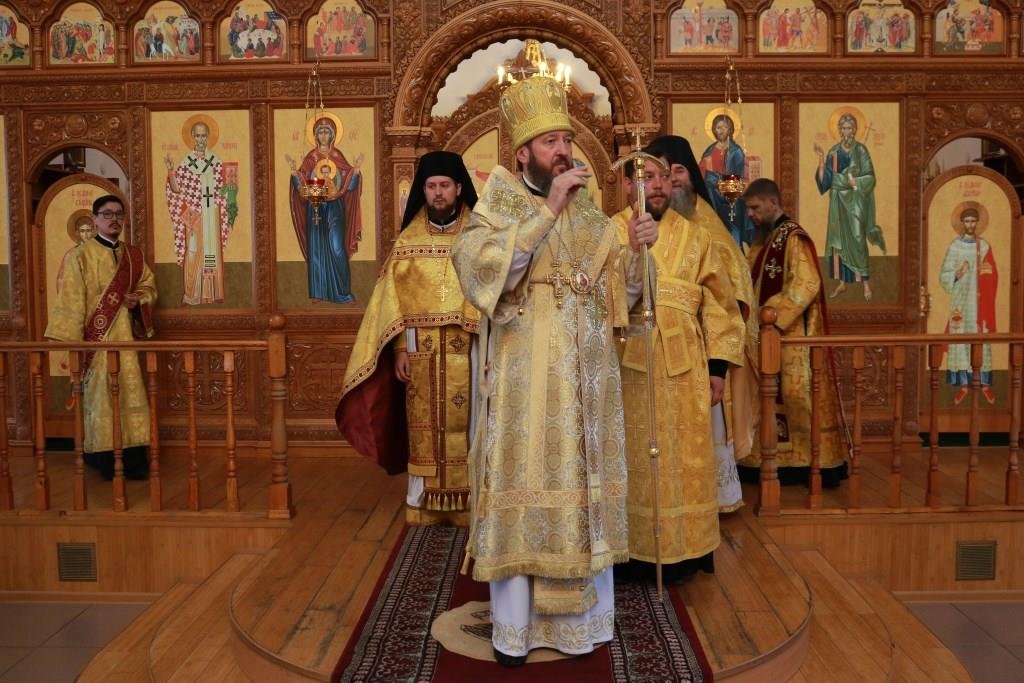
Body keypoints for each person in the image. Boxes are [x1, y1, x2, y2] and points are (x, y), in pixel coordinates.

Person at [450, 60, 657, 667]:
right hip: (526, 384)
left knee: (583, 497)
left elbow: (622, 297)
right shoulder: (498, 205)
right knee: (524, 492)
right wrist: (545, 213)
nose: (563, 151)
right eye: (550, 142)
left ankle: (582, 627)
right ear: (523, 154)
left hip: (588, 384)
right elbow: (482, 273)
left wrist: (637, 255)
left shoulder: (591, 216)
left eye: (566, 139)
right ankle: (514, 631)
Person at [612, 141, 745, 584]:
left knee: (687, 459)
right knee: (635, 456)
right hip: (629, 366)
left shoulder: (697, 236)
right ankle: (634, 550)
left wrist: (718, 368)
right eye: (645, 178)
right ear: (629, 186)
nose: (656, 186)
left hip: (687, 366)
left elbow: (720, 306)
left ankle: (689, 549)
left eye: (663, 178)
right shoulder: (611, 232)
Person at [336, 151, 479, 525]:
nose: (438, 193)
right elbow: (392, 301)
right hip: (420, 348)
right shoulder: (408, 240)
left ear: (459, 187)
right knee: (422, 425)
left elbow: (492, 292)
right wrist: (400, 348)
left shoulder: (479, 237)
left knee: (470, 423)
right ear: (423, 190)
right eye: (431, 186)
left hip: (469, 346)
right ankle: (422, 503)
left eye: (444, 185)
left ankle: (470, 502)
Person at [653, 134, 758, 513]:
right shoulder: (639, 223)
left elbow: (732, 295)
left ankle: (704, 501)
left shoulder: (707, 227)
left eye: (678, 171)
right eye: (661, 172)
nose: (670, 180)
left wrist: (717, 362)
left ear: (692, 176)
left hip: (698, 350)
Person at [738, 179, 847, 487]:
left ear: (772, 203)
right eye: (749, 209)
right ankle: (769, 460)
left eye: (755, 208)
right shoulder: (764, 240)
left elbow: (807, 283)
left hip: (791, 338)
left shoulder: (793, 237)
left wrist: (772, 318)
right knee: (766, 396)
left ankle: (811, 463)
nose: (751, 215)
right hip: (766, 338)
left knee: (798, 398)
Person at [45, 195, 157, 481]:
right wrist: (76, 348)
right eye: (107, 214)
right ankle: (104, 461)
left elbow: (148, 285)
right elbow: (71, 301)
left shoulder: (133, 255)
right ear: (95, 219)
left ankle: (135, 461)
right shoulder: (80, 256)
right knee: (101, 400)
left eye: (118, 214)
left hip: (126, 342)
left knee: (130, 396)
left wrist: (139, 299)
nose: (114, 219)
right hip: (95, 344)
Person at [287, 116, 362, 304]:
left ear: (333, 135)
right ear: (315, 135)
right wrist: (295, 173)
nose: (323, 135)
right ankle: (318, 293)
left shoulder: (338, 156)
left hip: (335, 208)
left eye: (327, 131)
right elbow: (301, 188)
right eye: (320, 131)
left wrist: (356, 171)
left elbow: (349, 186)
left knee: (337, 247)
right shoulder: (310, 158)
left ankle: (343, 292)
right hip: (315, 209)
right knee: (317, 248)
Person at [813, 113, 886, 301]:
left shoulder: (861, 150)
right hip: (838, 202)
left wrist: (855, 182)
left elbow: (870, 177)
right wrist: (821, 159)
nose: (847, 132)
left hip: (855, 202)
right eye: (844, 128)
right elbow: (826, 180)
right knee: (839, 241)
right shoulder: (834, 152)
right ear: (840, 130)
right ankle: (843, 282)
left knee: (858, 238)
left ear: (854, 130)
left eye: (850, 128)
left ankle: (865, 283)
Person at [164, 120, 233, 305]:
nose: (200, 139)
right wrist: (170, 171)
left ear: (208, 137)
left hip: (211, 215)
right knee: (193, 252)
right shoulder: (186, 164)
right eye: (197, 136)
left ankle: (211, 292)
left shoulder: (216, 162)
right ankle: (191, 293)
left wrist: (227, 198)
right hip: (193, 216)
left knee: (211, 253)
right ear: (192, 137)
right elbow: (176, 190)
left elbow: (224, 190)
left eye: (203, 136)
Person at [940, 207, 998, 405]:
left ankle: (984, 384)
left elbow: (993, 274)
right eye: (967, 221)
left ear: (978, 223)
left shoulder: (984, 246)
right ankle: (964, 384)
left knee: (981, 339)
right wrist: (959, 272)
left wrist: (986, 272)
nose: (970, 225)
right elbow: (944, 275)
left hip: (980, 303)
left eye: (973, 221)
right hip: (960, 302)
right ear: (962, 223)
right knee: (960, 340)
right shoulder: (955, 247)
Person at [699, 114, 756, 248]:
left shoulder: (736, 151)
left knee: (732, 227)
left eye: (724, 127)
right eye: (718, 127)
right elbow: (701, 174)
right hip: (713, 196)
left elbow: (737, 178)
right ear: (714, 130)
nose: (721, 130)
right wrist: (710, 177)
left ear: (730, 129)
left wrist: (717, 180)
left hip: (731, 196)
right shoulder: (709, 151)